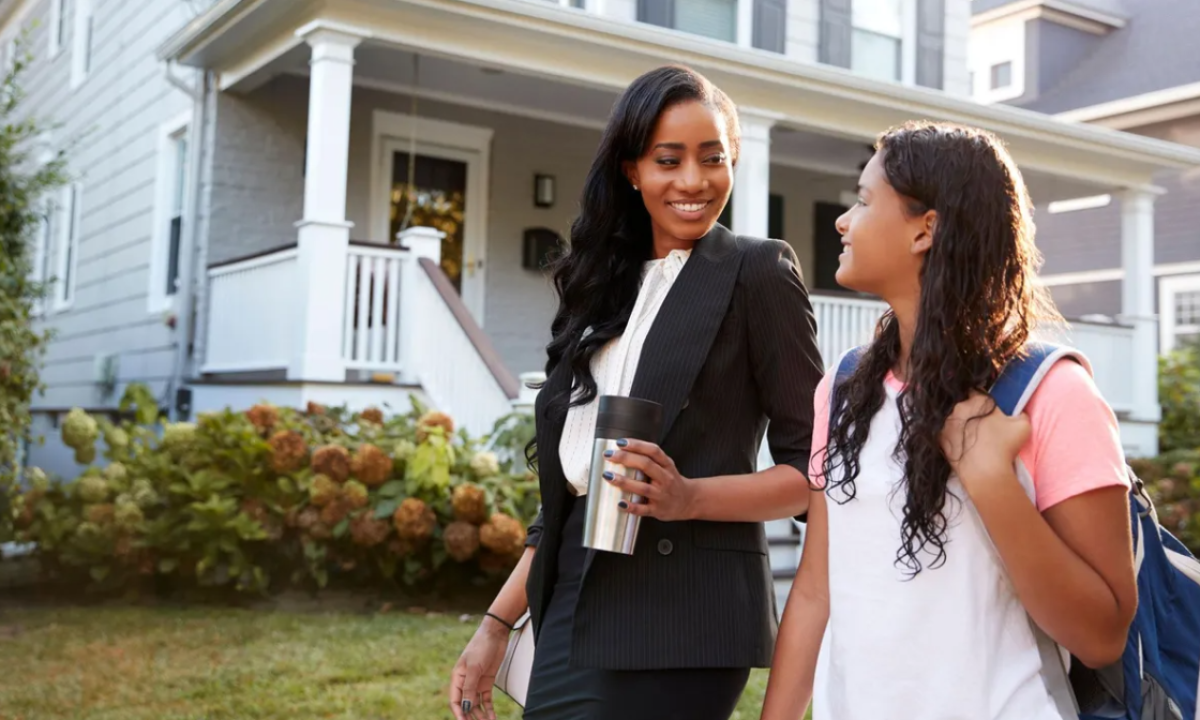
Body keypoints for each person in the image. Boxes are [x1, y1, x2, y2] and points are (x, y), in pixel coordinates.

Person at [448, 65, 825, 720]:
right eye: (668, 159)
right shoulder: (600, 287)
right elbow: (572, 490)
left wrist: (690, 497)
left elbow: (815, 474)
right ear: (631, 168)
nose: (693, 181)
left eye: (713, 158)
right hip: (571, 596)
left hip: (682, 613)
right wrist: (496, 625)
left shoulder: (755, 273)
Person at [760, 122, 1139, 720]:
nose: (843, 220)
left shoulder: (1051, 393)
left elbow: (1101, 634)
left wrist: (991, 482)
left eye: (863, 200)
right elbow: (814, 590)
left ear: (925, 229)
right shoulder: (843, 388)